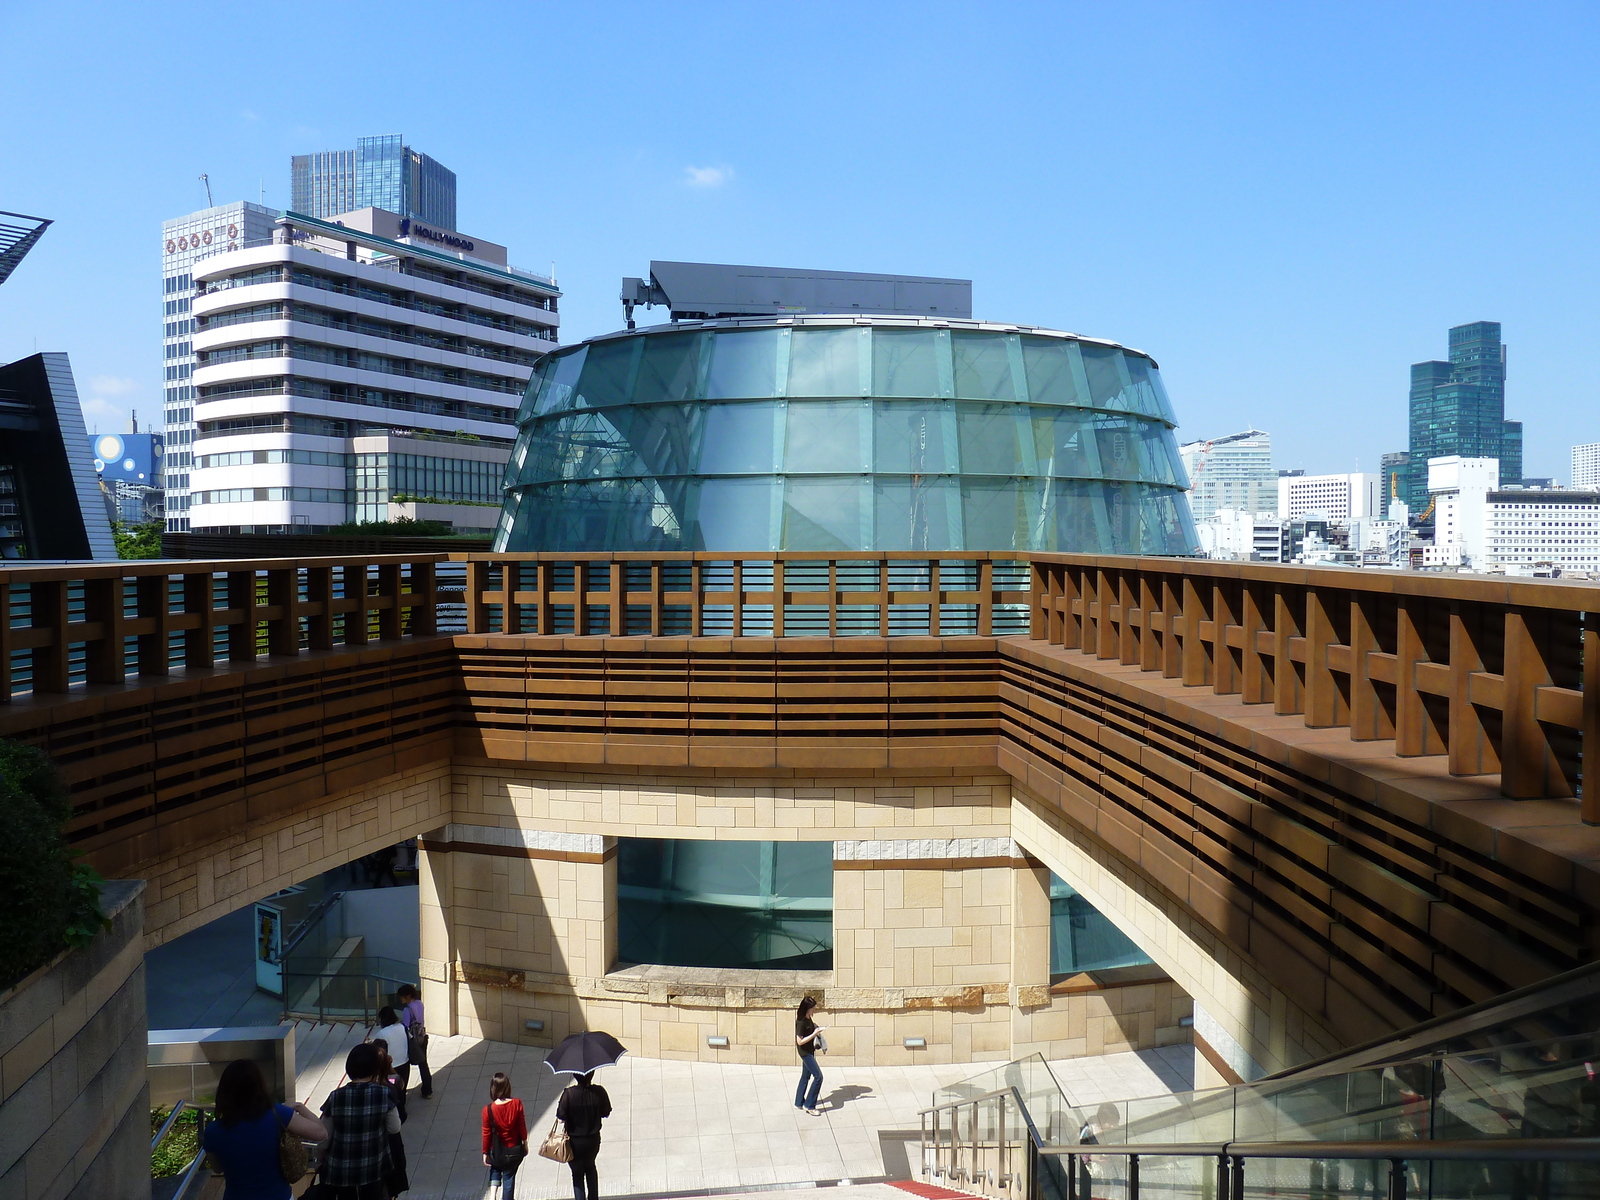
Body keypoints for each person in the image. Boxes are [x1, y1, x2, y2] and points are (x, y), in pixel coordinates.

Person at [201, 1058, 326, 1200]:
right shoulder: (277, 1114)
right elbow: (321, 1133)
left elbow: (217, 1168)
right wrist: (299, 1107)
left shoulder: (213, 1131)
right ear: (259, 1086)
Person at [318, 1043, 401, 1200]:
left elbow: (325, 1135)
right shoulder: (384, 1094)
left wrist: (319, 1161)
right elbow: (394, 1128)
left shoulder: (335, 1096)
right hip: (374, 1167)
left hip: (340, 1171)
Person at [556, 1070, 612, 1200]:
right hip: (592, 1139)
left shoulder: (569, 1094)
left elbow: (561, 1116)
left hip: (574, 1141)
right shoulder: (599, 1092)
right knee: (591, 1167)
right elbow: (606, 1112)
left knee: (577, 1173)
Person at [480, 1072, 528, 1199]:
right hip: (514, 1149)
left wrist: (485, 1152)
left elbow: (486, 1133)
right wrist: (525, 1143)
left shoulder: (488, 1110)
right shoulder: (517, 1103)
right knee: (509, 1178)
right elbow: (521, 1126)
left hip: (496, 1150)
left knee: (495, 1167)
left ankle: (492, 1195)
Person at [371, 1006, 410, 1121]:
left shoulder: (382, 1034)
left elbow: (378, 1051)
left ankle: (397, 1114)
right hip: (405, 1063)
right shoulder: (402, 1027)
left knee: (392, 1090)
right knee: (401, 1088)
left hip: (391, 1068)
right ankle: (402, 1111)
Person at [396, 984, 432, 1100]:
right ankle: (427, 1090)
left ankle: (402, 1088)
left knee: (405, 1065)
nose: (401, 999)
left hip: (413, 1040)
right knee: (423, 1064)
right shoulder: (420, 1004)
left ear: (408, 996)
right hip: (422, 1036)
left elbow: (406, 1027)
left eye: (402, 996)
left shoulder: (407, 1010)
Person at [794, 995, 826, 1115]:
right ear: (807, 1008)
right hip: (805, 1053)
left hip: (810, 1050)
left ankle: (799, 1102)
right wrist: (814, 1033)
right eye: (812, 1008)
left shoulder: (808, 1018)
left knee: (805, 1076)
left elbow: (809, 1029)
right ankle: (809, 1105)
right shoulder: (801, 1022)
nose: (814, 1010)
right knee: (818, 1077)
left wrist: (815, 1027)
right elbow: (799, 1041)